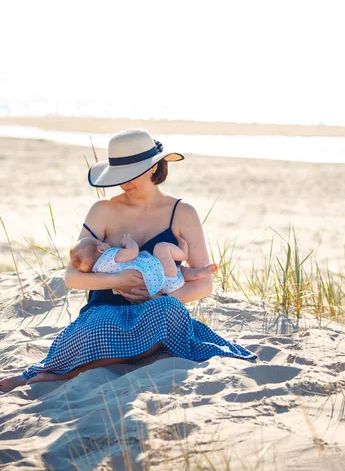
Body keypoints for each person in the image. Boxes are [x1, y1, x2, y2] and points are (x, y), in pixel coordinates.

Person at [0, 128, 257, 393]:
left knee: (171, 313)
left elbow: (204, 285)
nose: (124, 183)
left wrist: (155, 298)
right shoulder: (103, 211)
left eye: (132, 175)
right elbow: (73, 277)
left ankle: (117, 357)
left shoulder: (183, 213)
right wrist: (117, 279)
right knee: (98, 327)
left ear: (154, 167)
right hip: (106, 311)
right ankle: (73, 369)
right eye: (119, 176)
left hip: (157, 308)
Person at [70, 232, 217, 295]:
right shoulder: (110, 256)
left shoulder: (99, 271)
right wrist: (129, 242)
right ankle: (185, 256)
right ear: (100, 249)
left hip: (162, 287)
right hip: (164, 278)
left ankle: (195, 273)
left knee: (178, 270)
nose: (105, 243)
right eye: (101, 242)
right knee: (161, 248)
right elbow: (132, 253)